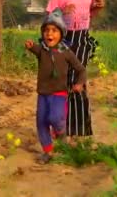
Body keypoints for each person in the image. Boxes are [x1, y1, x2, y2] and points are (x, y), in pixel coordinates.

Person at [46, 0, 105, 138]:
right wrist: (62, 13)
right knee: (65, 81)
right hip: (64, 39)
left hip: (81, 39)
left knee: (77, 80)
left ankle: (77, 130)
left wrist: (98, 7)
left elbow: (89, 15)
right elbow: (49, 22)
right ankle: (62, 127)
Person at [25, 8, 87, 163]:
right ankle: (48, 152)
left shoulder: (65, 51)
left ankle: (61, 132)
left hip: (59, 93)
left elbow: (81, 70)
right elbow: (34, 48)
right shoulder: (42, 50)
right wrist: (30, 45)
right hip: (43, 94)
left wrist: (79, 83)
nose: (49, 34)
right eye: (46, 30)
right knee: (41, 122)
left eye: (54, 30)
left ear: (61, 33)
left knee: (54, 118)